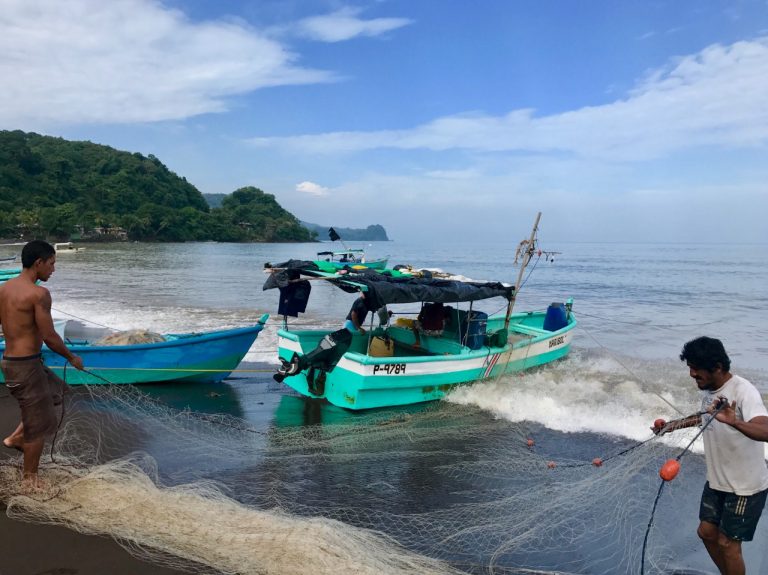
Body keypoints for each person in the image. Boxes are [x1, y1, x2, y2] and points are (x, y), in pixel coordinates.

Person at [652, 337, 768, 575]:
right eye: (690, 368)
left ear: (716, 367)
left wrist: (734, 421)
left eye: (696, 369)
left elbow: (765, 430)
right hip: (718, 481)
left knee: (728, 544)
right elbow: (705, 417)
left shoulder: (744, 392)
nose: (692, 374)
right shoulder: (710, 390)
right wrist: (672, 426)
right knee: (706, 533)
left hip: (745, 487)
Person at [0, 240, 84, 488]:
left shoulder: (4, 289)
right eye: (51, 263)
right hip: (25, 367)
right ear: (38, 263)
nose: (53, 269)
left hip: (15, 362)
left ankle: (16, 437)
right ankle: (30, 480)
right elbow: (49, 336)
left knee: (57, 392)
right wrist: (72, 357)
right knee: (39, 424)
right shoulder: (39, 294)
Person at [275, 291, 370, 383]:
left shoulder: (363, 301)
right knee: (323, 349)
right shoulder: (360, 301)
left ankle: (289, 367)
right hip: (322, 349)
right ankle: (288, 368)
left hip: (317, 352)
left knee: (321, 349)